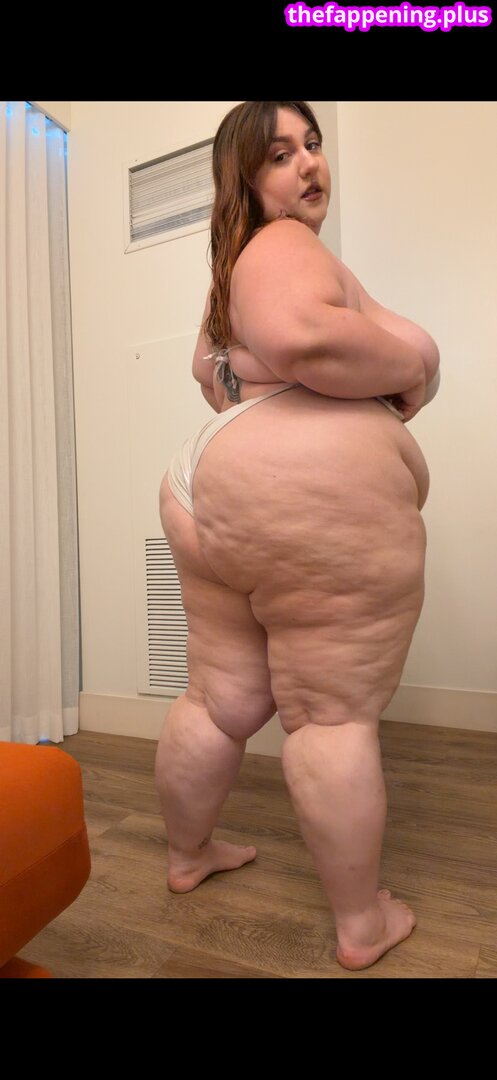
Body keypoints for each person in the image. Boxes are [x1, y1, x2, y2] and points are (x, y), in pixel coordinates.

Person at [155, 101, 440, 971]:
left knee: (218, 698)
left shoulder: (229, 272)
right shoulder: (283, 245)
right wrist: (414, 364)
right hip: (304, 497)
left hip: (207, 487)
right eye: (279, 154)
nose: (308, 163)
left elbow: (215, 375)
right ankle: (361, 923)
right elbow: (299, 337)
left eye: (311, 144)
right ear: (244, 178)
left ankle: (186, 854)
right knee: (329, 714)